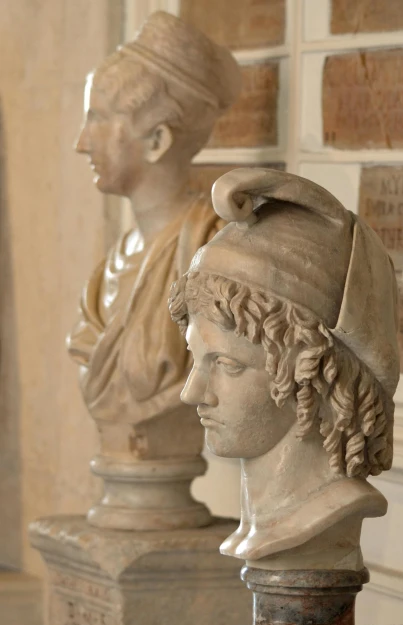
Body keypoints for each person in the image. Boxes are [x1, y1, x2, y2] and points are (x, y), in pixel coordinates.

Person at [169, 168, 399, 565]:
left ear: (312, 372)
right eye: (196, 359)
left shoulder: (325, 517)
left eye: (227, 364)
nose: (191, 393)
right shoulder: (265, 521)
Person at [66, 12, 241, 529]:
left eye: (97, 118)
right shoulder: (108, 269)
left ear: (157, 139)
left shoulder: (210, 257)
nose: (81, 142)